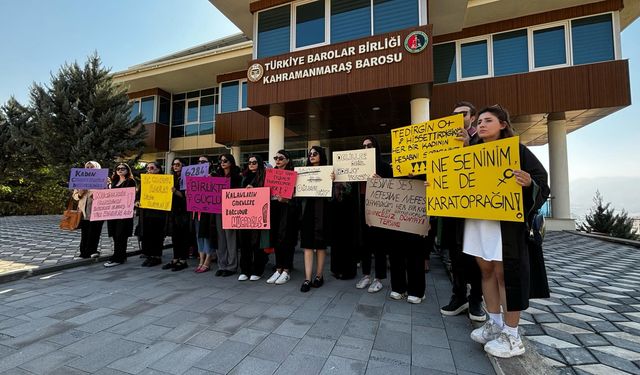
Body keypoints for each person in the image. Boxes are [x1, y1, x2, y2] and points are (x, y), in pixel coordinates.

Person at [465, 105, 549, 358]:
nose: (481, 125)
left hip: (503, 224)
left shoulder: (517, 151)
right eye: (479, 121)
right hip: (477, 222)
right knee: (486, 270)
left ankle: (512, 336)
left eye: (488, 120)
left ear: (503, 124)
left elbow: (541, 181)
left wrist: (528, 183)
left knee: (505, 274)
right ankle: (495, 324)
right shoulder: (470, 153)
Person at [440, 101, 487, 321]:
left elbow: (485, 169)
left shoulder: (483, 140)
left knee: (476, 256)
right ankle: (458, 296)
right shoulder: (445, 141)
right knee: (456, 256)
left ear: (473, 116)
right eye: (455, 115)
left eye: (464, 114)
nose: (459, 118)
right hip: (453, 210)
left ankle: (476, 300)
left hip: (476, 211)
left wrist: (468, 146)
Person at [355, 136, 393, 292]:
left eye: (369, 146)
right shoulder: (358, 166)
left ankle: (378, 278)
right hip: (362, 207)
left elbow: (393, 190)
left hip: (379, 209)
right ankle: (366, 275)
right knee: (364, 243)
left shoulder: (384, 167)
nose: (366, 149)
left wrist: (381, 181)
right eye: (363, 146)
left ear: (376, 147)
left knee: (379, 244)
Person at [299, 146, 333, 292]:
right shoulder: (303, 172)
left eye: (315, 153)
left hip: (323, 211)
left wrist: (334, 181)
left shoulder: (329, 171)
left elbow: (336, 196)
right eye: (310, 154)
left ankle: (319, 276)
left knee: (320, 245)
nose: (311, 156)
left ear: (321, 155)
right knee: (307, 245)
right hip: (308, 210)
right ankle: (307, 278)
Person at [266, 150, 299, 285]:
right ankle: (278, 268)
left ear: (287, 160)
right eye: (276, 158)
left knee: (287, 240)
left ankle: (286, 270)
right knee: (276, 240)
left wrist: (287, 200)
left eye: (281, 158)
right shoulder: (271, 174)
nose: (278, 160)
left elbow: (298, 196)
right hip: (275, 209)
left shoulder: (293, 175)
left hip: (289, 211)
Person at [238, 155, 268, 281]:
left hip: (259, 214)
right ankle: (245, 269)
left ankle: (257, 269)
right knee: (245, 242)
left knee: (257, 242)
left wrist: (255, 189)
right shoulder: (244, 177)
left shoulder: (265, 176)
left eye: (254, 162)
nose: (251, 164)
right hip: (245, 214)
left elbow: (267, 191)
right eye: (249, 162)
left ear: (259, 163)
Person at [214, 153, 242, 277]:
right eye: (221, 160)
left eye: (225, 160)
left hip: (231, 210)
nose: (222, 162)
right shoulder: (216, 175)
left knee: (231, 237)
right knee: (220, 238)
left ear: (231, 162)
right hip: (218, 209)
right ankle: (222, 265)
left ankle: (232, 266)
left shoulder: (237, 177)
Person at [104, 163, 136, 267]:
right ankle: (118, 254)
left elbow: (129, 196)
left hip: (124, 214)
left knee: (121, 235)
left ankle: (119, 257)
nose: (120, 170)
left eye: (123, 168)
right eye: (118, 168)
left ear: (127, 170)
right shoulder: (114, 181)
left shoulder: (130, 181)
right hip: (113, 213)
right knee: (114, 234)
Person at [161, 158, 190, 271]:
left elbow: (187, 196)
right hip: (173, 210)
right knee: (175, 236)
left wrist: (176, 192)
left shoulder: (187, 178)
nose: (175, 166)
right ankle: (175, 258)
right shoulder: (171, 178)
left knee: (183, 236)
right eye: (174, 164)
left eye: (178, 164)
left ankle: (183, 260)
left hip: (184, 211)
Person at [73, 161, 105, 259]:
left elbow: (107, 195)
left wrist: (98, 195)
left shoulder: (102, 180)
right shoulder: (80, 180)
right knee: (85, 232)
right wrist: (80, 193)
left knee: (95, 232)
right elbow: (74, 196)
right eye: (87, 167)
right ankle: (83, 253)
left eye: (92, 167)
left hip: (97, 211)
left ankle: (93, 251)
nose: (89, 169)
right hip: (83, 211)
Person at [139, 162, 168, 267]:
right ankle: (149, 255)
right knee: (148, 234)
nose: (149, 169)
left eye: (152, 167)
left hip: (159, 213)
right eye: (148, 168)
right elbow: (139, 195)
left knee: (157, 235)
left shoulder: (164, 180)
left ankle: (157, 256)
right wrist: (137, 201)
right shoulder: (145, 181)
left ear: (159, 169)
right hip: (147, 213)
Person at [193, 156, 217, 273]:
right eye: (199, 162)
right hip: (195, 211)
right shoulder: (193, 177)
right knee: (199, 235)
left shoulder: (213, 175)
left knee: (206, 235)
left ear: (210, 163)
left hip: (208, 211)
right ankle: (201, 259)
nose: (200, 163)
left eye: (203, 162)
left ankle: (208, 259)